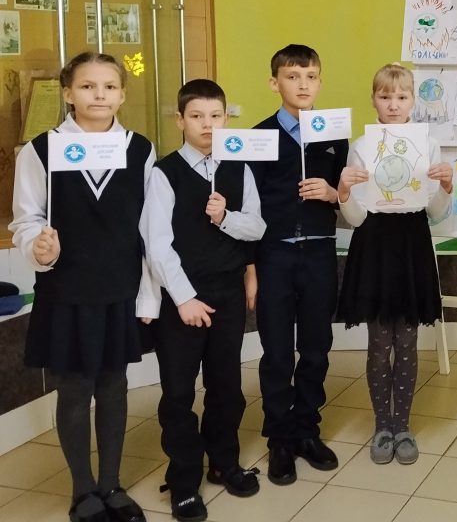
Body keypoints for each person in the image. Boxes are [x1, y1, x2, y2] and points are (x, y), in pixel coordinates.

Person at [10, 52, 155, 522]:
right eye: (88, 86)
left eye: (109, 86)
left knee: (114, 387)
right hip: (66, 292)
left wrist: (149, 291)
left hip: (119, 289)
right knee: (74, 390)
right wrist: (40, 247)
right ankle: (83, 491)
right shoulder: (40, 150)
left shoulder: (140, 149)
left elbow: (149, 225)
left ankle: (111, 484)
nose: (99, 95)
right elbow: (26, 219)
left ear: (122, 94)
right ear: (68, 93)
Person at [141, 80, 266, 521]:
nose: (207, 124)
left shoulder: (240, 168)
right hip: (182, 299)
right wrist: (185, 299)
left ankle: (224, 462)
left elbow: (257, 227)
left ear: (227, 118)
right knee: (178, 393)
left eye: (215, 116)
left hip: (227, 292)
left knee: (226, 386)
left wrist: (224, 216)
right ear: (180, 120)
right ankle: (183, 480)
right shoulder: (164, 173)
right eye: (196, 116)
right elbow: (157, 245)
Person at [336, 63, 453, 465]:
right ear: (373, 99)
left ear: (412, 101)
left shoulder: (429, 145)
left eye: (401, 97)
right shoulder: (361, 145)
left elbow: (435, 212)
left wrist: (447, 186)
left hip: (411, 244)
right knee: (378, 344)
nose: (393, 104)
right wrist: (343, 192)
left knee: (407, 342)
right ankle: (381, 425)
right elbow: (355, 217)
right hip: (374, 246)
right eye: (385, 96)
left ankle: (402, 426)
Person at [249, 44, 347, 484]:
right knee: (275, 351)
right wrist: (250, 270)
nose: (303, 85)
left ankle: (307, 429)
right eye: (292, 76)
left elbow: (350, 196)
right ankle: (279, 439)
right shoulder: (259, 137)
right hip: (274, 254)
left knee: (316, 347)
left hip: (320, 252)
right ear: (275, 83)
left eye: (310, 76)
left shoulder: (334, 134)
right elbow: (246, 207)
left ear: (320, 82)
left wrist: (333, 194)